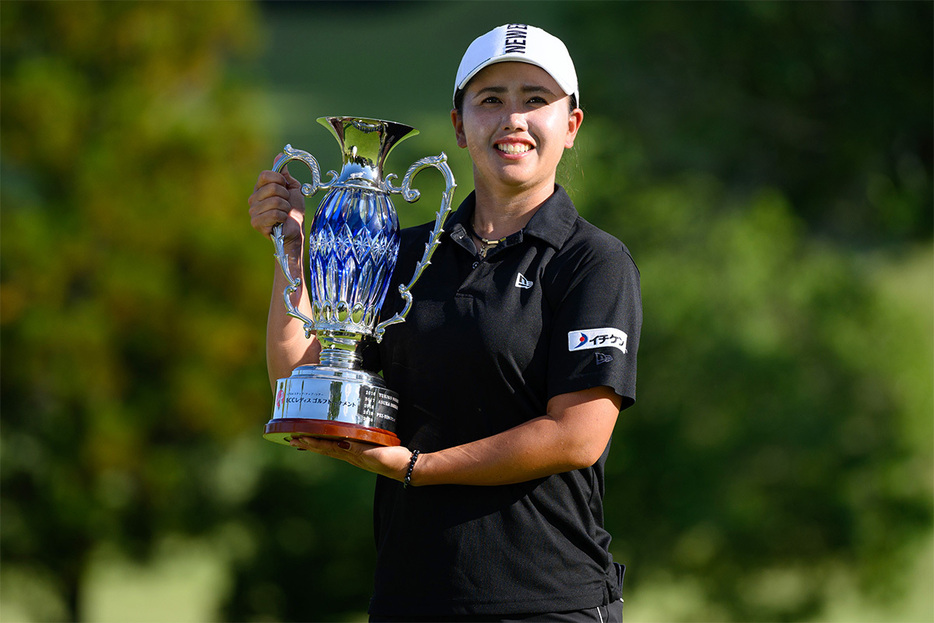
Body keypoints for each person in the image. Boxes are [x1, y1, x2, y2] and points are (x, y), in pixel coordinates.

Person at [248, 23, 641, 623]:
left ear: (571, 126)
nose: (514, 118)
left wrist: (421, 468)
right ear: (459, 126)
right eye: (491, 100)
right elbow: (301, 380)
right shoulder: (404, 253)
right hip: (412, 597)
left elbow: (577, 436)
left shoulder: (593, 261)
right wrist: (293, 252)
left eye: (535, 100)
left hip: (548, 602)